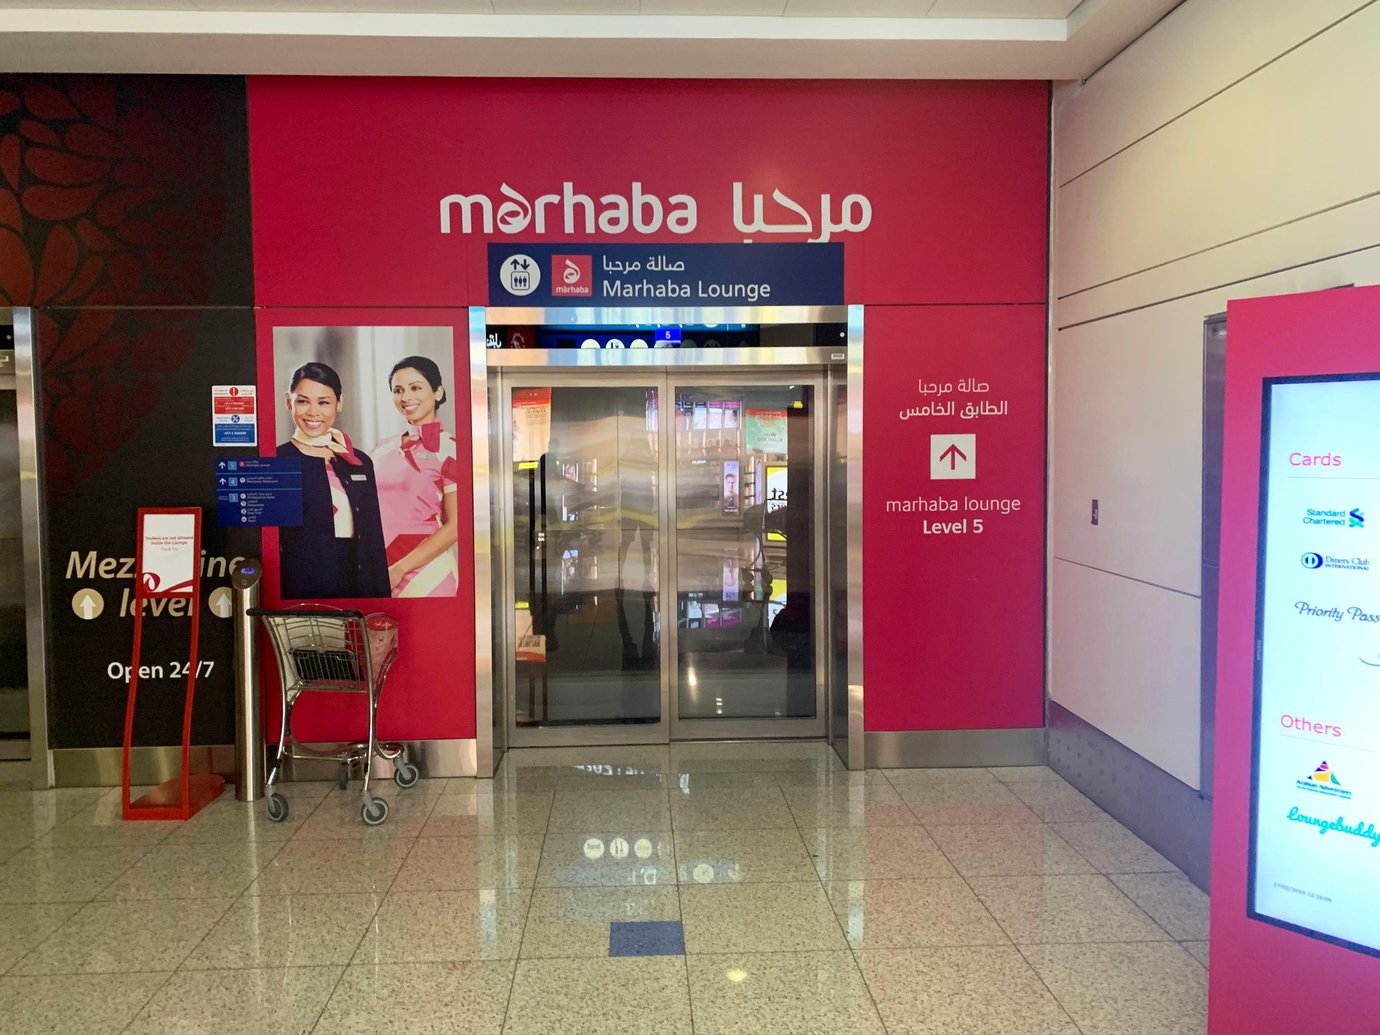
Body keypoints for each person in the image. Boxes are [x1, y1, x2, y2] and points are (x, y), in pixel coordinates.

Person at [277, 362, 390, 599]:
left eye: (324, 402)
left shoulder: (358, 460)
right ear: (289, 401)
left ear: (339, 403)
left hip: (359, 582)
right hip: (304, 588)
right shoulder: (278, 460)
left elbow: (373, 539)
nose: (313, 412)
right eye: (303, 401)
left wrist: (381, 597)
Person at [372, 355, 460, 597]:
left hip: (427, 573)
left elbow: (456, 526)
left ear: (438, 392)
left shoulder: (451, 448)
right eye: (398, 390)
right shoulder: (381, 448)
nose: (405, 397)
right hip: (380, 572)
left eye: (415, 388)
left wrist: (401, 569)